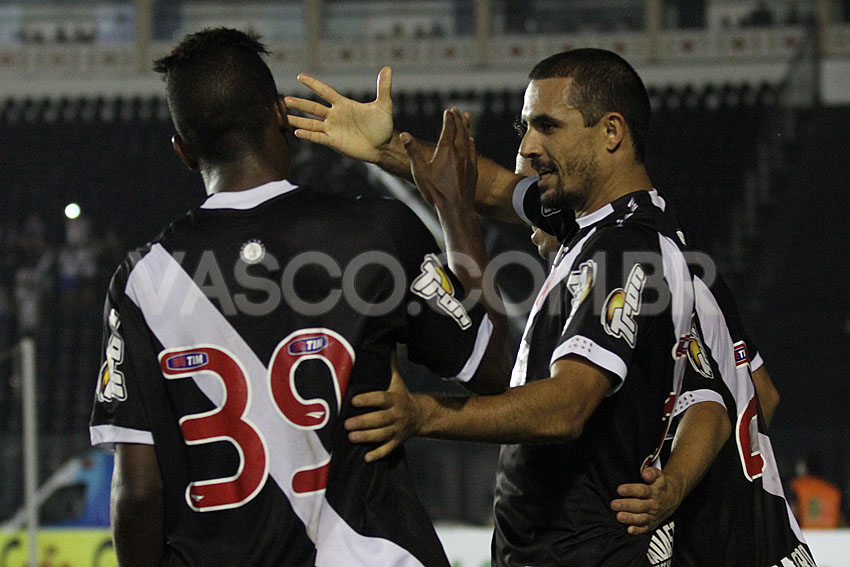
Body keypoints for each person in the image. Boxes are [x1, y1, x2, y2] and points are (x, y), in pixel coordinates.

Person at [285, 51, 813, 566]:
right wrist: (386, 150)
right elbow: (748, 393)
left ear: (612, 132)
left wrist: (423, 414)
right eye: (525, 128)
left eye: (547, 126)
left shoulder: (622, 249)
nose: (529, 147)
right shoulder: (637, 235)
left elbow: (567, 407)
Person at [88, 28, 508, 567]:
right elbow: (492, 368)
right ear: (280, 115)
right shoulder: (377, 234)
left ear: (184, 152)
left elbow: (139, 492)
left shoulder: (144, 280)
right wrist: (455, 208)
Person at [791, 452, 847, 529]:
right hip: (830, 534)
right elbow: (841, 519)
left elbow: (792, 513)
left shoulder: (797, 486)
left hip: (805, 533)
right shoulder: (833, 491)